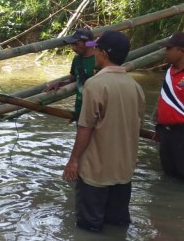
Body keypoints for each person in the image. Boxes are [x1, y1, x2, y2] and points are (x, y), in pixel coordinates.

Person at [62, 30, 145, 232]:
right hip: (123, 172)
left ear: (104, 54)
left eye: (97, 49)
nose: (95, 53)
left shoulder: (96, 84)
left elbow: (86, 127)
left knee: (89, 228)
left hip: (96, 173)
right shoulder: (135, 87)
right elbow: (137, 127)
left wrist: (73, 160)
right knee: (117, 225)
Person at [46, 28, 95, 121]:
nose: (73, 48)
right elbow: (74, 78)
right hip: (81, 109)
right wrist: (60, 83)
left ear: (88, 43)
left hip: (97, 110)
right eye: (72, 44)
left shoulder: (100, 59)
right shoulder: (77, 60)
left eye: (76, 44)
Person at [154, 31, 184, 180]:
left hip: (181, 133)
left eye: (169, 48)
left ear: (181, 50)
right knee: (168, 174)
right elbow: (163, 98)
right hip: (166, 132)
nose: (165, 52)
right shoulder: (169, 71)